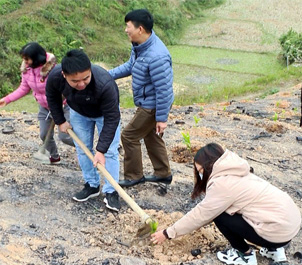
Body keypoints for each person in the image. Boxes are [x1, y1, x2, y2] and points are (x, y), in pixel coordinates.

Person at [151, 143, 301, 265]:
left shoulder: (222, 184)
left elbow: (200, 215)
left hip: (276, 233)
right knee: (236, 210)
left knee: (220, 216)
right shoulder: (238, 170)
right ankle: (273, 250)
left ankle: (245, 255)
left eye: (200, 170)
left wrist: (168, 233)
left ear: (209, 166)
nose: (200, 174)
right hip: (289, 227)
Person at [46, 49, 122, 212]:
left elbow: (112, 118)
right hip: (79, 113)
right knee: (82, 149)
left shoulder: (104, 83)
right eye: (75, 81)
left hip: (104, 115)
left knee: (109, 152)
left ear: (90, 70)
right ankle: (92, 185)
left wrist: (101, 150)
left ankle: (111, 191)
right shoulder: (55, 77)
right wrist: (60, 120)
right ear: (64, 75)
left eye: (85, 78)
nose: (81, 84)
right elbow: (52, 96)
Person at [108, 9, 174, 188]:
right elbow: (131, 66)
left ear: (140, 29)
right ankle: (163, 173)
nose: (125, 30)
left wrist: (161, 118)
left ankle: (134, 176)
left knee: (129, 136)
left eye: (128, 26)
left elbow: (164, 89)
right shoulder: (139, 46)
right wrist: (107, 75)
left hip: (152, 105)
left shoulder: (157, 56)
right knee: (151, 136)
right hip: (147, 101)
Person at [0, 42, 74, 164]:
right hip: (45, 107)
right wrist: (7, 99)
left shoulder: (54, 70)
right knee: (44, 134)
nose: (25, 61)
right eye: (24, 58)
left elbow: (68, 85)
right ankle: (54, 157)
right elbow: (24, 88)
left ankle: (88, 151)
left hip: (62, 105)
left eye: (27, 59)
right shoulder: (27, 70)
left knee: (65, 136)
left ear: (37, 58)